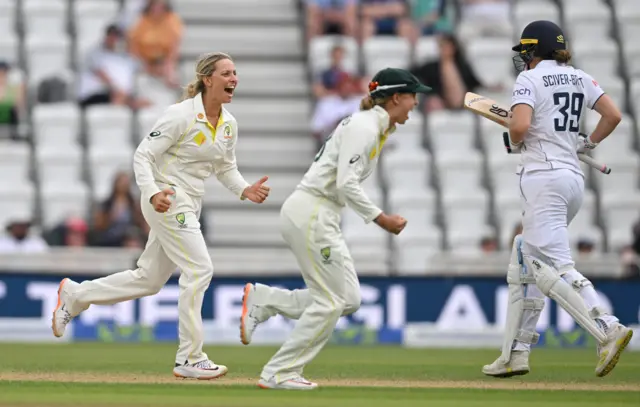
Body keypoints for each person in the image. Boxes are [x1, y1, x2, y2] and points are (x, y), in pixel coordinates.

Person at [51, 52, 271, 380]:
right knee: (200, 269)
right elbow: (143, 155)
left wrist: (244, 189)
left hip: (188, 204)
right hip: (166, 198)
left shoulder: (228, 124)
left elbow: (225, 167)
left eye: (235, 73)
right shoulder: (180, 115)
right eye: (226, 73)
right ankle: (190, 357)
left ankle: (76, 295)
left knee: (150, 279)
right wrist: (153, 192)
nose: (234, 79)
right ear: (208, 79)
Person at [239, 68, 431, 390]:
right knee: (330, 302)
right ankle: (280, 372)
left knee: (348, 299)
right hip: (313, 211)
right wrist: (380, 218)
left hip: (316, 212)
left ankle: (265, 299)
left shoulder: (371, 126)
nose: (415, 103)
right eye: (413, 96)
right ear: (396, 97)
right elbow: (345, 183)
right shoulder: (365, 126)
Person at [482, 20, 632, 379]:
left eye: (526, 52)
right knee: (524, 258)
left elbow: (519, 128)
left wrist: (517, 139)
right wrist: (587, 142)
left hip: (544, 179)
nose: (524, 59)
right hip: (572, 181)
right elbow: (613, 115)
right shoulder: (579, 76)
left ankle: (607, 328)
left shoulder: (529, 80)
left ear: (535, 50)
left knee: (553, 267)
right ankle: (515, 352)